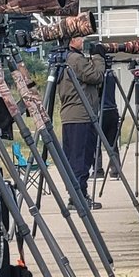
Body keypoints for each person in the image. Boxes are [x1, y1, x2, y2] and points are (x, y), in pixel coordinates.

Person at [57, 37, 106, 208]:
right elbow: (96, 77)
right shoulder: (76, 59)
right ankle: (79, 197)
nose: (83, 40)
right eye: (79, 37)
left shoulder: (63, 58)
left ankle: (76, 195)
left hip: (70, 115)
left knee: (74, 157)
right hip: (81, 114)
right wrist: (99, 58)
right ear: (71, 40)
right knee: (82, 157)